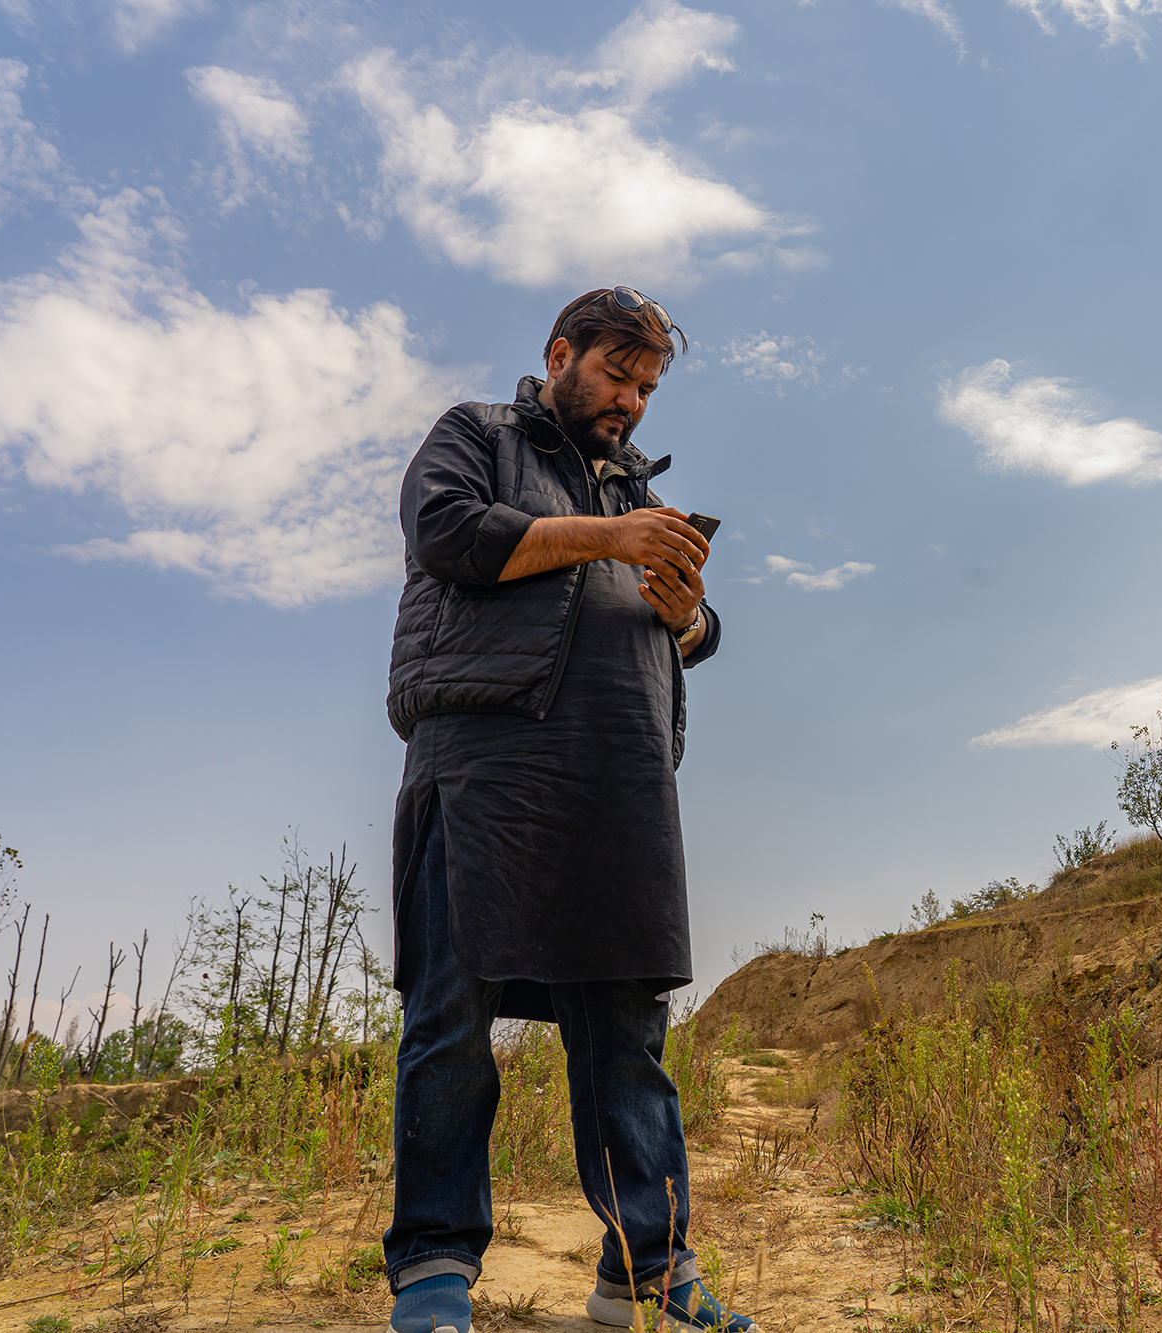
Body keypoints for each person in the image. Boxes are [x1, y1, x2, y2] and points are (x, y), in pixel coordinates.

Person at [379, 287, 752, 1333]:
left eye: (646, 386)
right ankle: (434, 1269)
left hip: (619, 772)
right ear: (561, 353)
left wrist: (688, 616)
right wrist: (605, 535)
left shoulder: (634, 492)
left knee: (625, 1028)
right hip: (485, 757)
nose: (630, 400)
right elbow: (448, 534)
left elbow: (679, 630)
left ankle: (646, 1270)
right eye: (615, 375)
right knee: (452, 1016)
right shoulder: (478, 436)